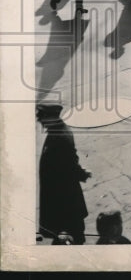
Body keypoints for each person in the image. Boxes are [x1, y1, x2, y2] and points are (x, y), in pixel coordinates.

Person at [37, 104, 91, 244]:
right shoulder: (56, 131)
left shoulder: (60, 135)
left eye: (41, 117)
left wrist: (80, 173)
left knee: (71, 234)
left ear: (51, 117)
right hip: (60, 196)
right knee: (66, 233)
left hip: (64, 198)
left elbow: (69, 162)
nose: (39, 121)